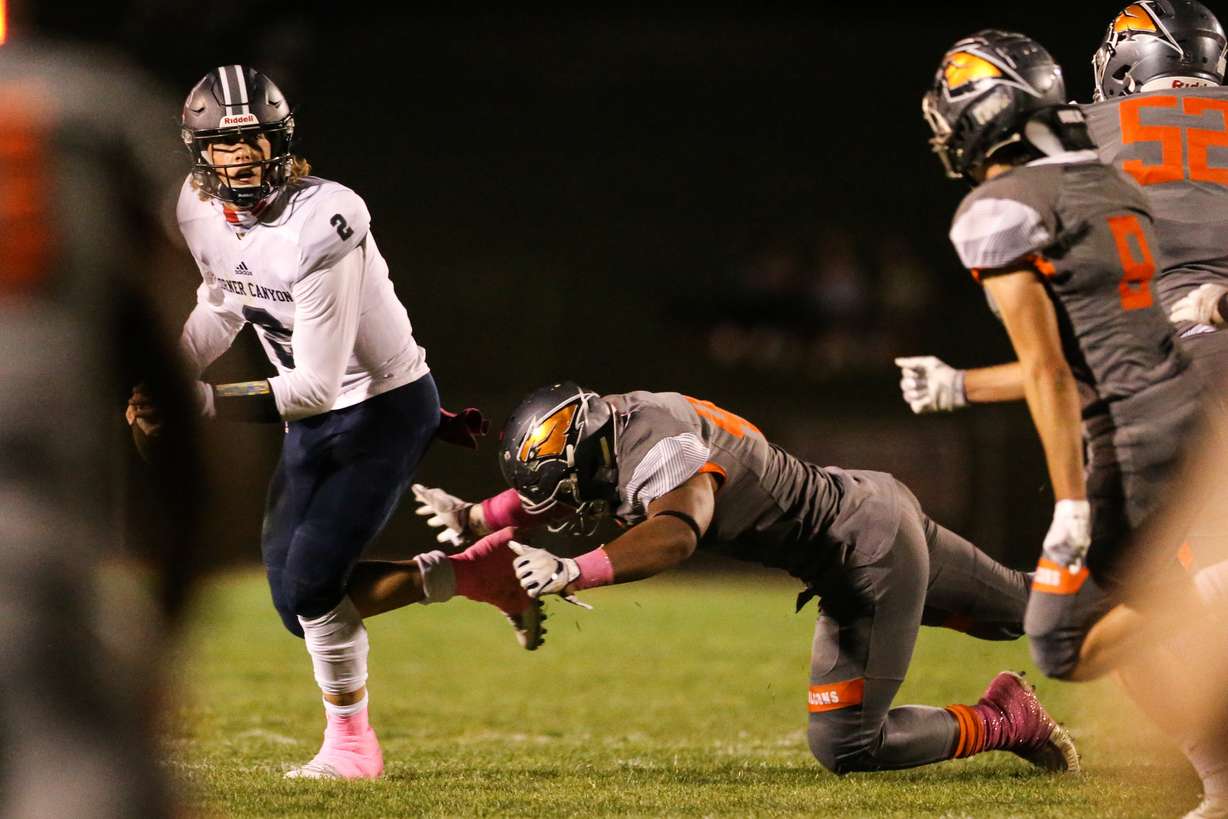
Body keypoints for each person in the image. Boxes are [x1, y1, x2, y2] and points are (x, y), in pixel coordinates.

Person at [130, 65, 544, 780]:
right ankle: (472, 574)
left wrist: (194, 403)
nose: (243, 158)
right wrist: (168, 371)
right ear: (198, 152)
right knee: (294, 600)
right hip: (315, 413)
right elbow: (222, 302)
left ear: (281, 140)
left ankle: (352, 746)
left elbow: (318, 385)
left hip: (378, 406)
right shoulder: (197, 209)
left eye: (256, 141)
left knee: (316, 583)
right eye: (226, 146)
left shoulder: (324, 219)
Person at [411, 381, 1081, 776]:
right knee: (1028, 608)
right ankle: (1142, 581)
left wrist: (574, 569)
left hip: (861, 556)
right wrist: (478, 515)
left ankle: (1003, 719)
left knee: (845, 742)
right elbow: (558, 489)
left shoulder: (661, 446)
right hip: (870, 507)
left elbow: (678, 530)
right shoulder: (609, 421)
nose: (565, 502)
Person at [918, 29, 1228, 818]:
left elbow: (1058, 368)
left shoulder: (1064, 165)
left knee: (1079, 628)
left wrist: (1069, 505)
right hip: (1184, 382)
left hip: (1156, 400)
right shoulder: (1095, 174)